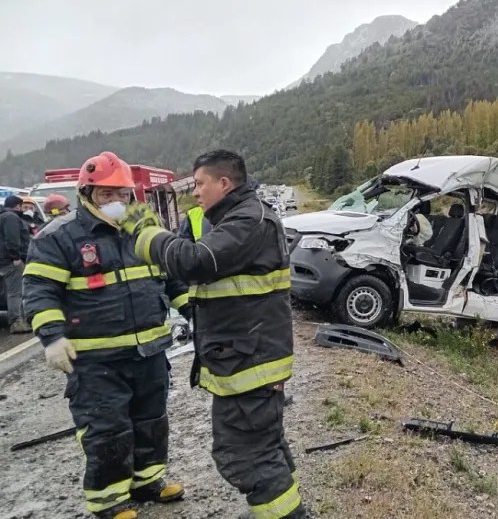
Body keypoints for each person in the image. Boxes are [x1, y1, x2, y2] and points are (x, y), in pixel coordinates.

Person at [123, 150, 305, 519]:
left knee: (244, 456)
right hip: (246, 359)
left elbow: (195, 262)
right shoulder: (234, 218)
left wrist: (147, 235)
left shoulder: (247, 221)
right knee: (264, 446)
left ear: (224, 183)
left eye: (200, 183)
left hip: (250, 364)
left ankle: (286, 514)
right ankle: (280, 509)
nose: (195, 193)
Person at [23, 151, 189, 519]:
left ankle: (148, 483)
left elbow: (172, 278)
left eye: (122, 195)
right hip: (95, 362)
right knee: (107, 430)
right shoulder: (60, 237)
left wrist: (195, 311)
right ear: (86, 193)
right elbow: (38, 291)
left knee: (151, 420)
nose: (116, 203)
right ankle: (109, 502)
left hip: (149, 353)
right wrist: (52, 336)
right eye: (106, 195)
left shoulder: (144, 231)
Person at [0, 195, 32, 333]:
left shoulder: (3, 216)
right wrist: (16, 256)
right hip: (11, 260)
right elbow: (12, 238)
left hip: (3, 259)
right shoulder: (10, 217)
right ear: (18, 206)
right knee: (16, 291)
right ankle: (16, 322)